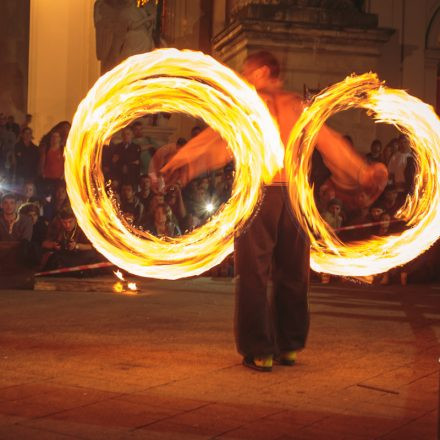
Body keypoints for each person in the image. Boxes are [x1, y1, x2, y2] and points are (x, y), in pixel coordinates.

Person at [162, 51, 388, 372]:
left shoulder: (251, 108)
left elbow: (216, 144)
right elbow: (330, 142)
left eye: (248, 71)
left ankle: (260, 349)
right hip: (295, 198)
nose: (242, 77)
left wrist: (182, 162)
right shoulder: (298, 106)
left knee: (253, 274)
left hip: (260, 196)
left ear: (264, 72)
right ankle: (290, 345)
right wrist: (361, 171)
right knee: (293, 272)